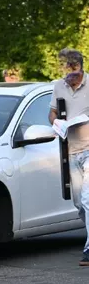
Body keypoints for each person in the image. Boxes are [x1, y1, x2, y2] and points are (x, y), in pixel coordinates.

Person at [49, 48, 89, 266]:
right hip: (71, 151)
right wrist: (55, 122)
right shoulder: (58, 86)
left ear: (80, 67)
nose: (69, 76)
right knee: (79, 203)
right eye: (65, 71)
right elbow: (52, 112)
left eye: (72, 71)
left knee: (88, 199)